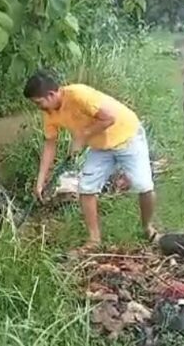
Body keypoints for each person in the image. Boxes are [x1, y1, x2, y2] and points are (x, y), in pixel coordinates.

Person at [24, 71, 156, 250]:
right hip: (100, 146)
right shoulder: (49, 112)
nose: (39, 107)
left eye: (39, 102)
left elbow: (109, 118)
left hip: (127, 136)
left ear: (51, 94)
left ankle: (147, 227)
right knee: (86, 188)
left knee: (144, 186)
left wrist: (82, 137)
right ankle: (94, 239)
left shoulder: (79, 95)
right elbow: (50, 144)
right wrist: (40, 180)